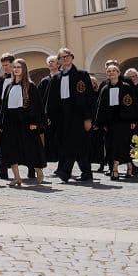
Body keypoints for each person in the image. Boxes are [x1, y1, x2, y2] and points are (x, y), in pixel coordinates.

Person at [46, 47, 95, 183]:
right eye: (62, 57)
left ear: (72, 57)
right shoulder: (56, 77)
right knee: (67, 143)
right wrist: (49, 116)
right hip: (62, 115)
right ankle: (86, 172)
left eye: (67, 56)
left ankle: (66, 171)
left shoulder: (82, 75)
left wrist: (88, 118)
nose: (65, 59)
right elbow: (51, 99)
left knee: (78, 143)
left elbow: (88, 98)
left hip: (78, 115)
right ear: (59, 61)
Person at [0, 58, 46, 186]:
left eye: (19, 67)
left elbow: (36, 106)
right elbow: (4, 106)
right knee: (11, 149)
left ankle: (38, 170)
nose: (16, 69)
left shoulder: (31, 86)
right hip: (10, 123)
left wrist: (35, 122)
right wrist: (1, 122)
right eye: (15, 67)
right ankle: (17, 177)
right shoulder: (9, 86)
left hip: (26, 122)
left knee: (31, 148)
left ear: (24, 69)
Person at [95, 62, 138, 180]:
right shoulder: (105, 89)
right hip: (111, 122)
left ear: (118, 73)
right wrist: (102, 123)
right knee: (112, 144)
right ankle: (128, 165)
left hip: (124, 121)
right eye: (109, 71)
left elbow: (132, 104)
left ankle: (115, 168)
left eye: (113, 71)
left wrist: (133, 120)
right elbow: (101, 107)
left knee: (122, 144)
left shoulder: (126, 87)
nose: (111, 73)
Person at [0, 52, 15, 179]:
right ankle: (2, 170)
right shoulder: (1, 80)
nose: (5, 67)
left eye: (7, 65)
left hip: (16, 115)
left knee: (20, 142)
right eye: (3, 65)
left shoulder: (19, 79)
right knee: (4, 144)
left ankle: (31, 169)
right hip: (4, 116)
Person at [37, 55, 60, 162]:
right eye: (49, 62)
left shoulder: (62, 78)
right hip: (48, 115)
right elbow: (40, 99)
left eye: (53, 61)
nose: (50, 63)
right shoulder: (44, 81)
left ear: (58, 64)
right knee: (49, 138)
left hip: (61, 114)